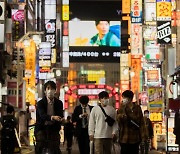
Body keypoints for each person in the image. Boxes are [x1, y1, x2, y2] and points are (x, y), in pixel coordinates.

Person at [34, 81, 64, 154]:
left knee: (55, 147)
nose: (50, 90)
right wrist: (53, 117)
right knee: (40, 145)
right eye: (48, 88)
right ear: (45, 90)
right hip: (42, 127)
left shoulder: (59, 103)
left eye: (52, 88)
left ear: (55, 90)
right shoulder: (40, 103)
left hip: (54, 128)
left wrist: (61, 119)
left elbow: (60, 114)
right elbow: (42, 115)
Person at [117, 90, 144, 154]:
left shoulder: (137, 108)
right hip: (124, 137)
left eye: (124, 98)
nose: (123, 99)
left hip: (135, 137)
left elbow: (140, 121)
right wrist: (121, 116)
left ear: (129, 98)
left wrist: (143, 137)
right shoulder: (121, 108)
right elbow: (118, 120)